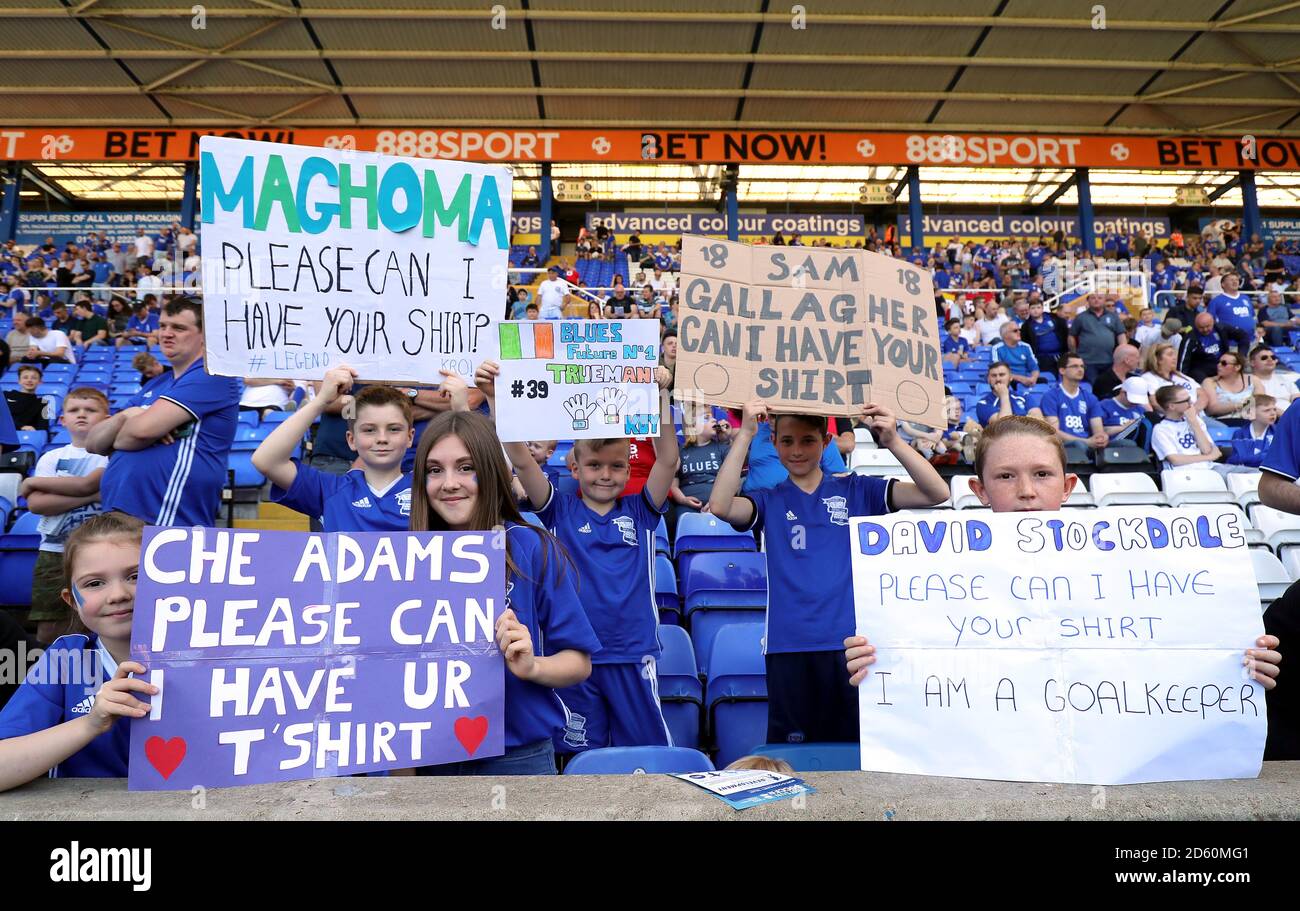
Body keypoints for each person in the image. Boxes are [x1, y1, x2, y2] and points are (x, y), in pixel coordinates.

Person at [843, 415, 1283, 706]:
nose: (1027, 491)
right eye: (1005, 476)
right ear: (979, 491)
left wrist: (1239, 660)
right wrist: (877, 660)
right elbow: (916, 656)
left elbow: (1171, 642)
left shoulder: (1134, 569)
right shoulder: (931, 575)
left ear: (1068, 485)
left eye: (1042, 474)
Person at [708, 400, 948, 745]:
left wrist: (893, 440)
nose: (796, 450)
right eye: (787, 441)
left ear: (825, 442)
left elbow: (936, 492)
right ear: (773, 443)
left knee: (852, 753)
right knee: (794, 758)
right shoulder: (768, 499)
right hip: (788, 647)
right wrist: (745, 433)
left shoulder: (858, 489)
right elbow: (720, 506)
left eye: (807, 440)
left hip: (851, 647)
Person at [479, 357, 678, 753]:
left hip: (632, 653)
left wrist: (661, 395)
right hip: (574, 658)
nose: (605, 474)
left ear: (629, 469)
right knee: (578, 762)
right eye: (594, 465)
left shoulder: (641, 511)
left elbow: (669, 459)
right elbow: (520, 458)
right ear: (573, 467)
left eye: (617, 466)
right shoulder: (558, 509)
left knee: (649, 759)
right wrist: (496, 399)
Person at [407, 410, 599, 775]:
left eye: (466, 467)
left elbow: (579, 662)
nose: (449, 483)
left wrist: (532, 666)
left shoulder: (529, 546)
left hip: (518, 758)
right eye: (435, 470)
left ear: (493, 472)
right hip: (429, 756)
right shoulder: (400, 560)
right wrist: (402, 771)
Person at [0, 514, 160, 791]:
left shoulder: (216, 657)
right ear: (71, 601)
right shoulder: (65, 660)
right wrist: (90, 724)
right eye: (94, 583)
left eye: (136, 576)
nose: (118, 594)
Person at [85, 297, 239, 527]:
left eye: (179, 328)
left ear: (205, 336)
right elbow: (94, 443)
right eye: (163, 326)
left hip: (166, 516)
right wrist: (126, 416)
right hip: (120, 512)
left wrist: (130, 424)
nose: (166, 334)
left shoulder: (211, 375)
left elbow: (139, 433)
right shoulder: (155, 384)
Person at [254, 366, 436, 532]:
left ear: (410, 437)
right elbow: (265, 461)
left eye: (394, 429)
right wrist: (321, 401)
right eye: (369, 430)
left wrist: (460, 406)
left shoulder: (429, 489)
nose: (382, 438)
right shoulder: (330, 490)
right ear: (352, 439)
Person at [19, 388, 111, 645]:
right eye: (74, 410)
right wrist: (93, 497)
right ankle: (53, 681)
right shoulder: (51, 457)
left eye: (90, 410)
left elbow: (88, 483)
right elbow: (37, 504)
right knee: (49, 628)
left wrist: (33, 482)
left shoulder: (110, 456)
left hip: (98, 553)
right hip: (53, 551)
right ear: (63, 420)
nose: (81, 415)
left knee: (95, 625)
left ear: (106, 419)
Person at [1037, 353, 1108, 454]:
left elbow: (1098, 429)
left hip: (1087, 444)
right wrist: (1086, 442)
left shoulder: (1090, 398)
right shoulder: (1051, 396)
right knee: (1079, 446)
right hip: (1063, 446)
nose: (1080, 369)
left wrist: (1101, 438)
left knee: (1126, 446)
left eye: (1082, 366)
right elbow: (1053, 432)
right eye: (1075, 366)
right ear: (1062, 370)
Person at [1069, 293, 1127, 385]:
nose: (1096, 300)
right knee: (1094, 386)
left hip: (1110, 360)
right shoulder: (1081, 317)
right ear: (1088, 301)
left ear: (1104, 301)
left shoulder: (1113, 316)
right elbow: (1071, 336)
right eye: (1093, 298)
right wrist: (1074, 353)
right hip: (1087, 361)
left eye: (1100, 298)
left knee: (1109, 387)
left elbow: (1121, 335)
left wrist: (1123, 352)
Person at [1201, 350, 1262, 429]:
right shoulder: (1210, 382)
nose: (1219, 365)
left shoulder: (1253, 380)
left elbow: (1261, 402)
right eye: (1218, 362)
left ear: (1237, 367)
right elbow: (1212, 409)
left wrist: (1232, 406)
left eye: (1224, 363)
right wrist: (1240, 405)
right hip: (1221, 422)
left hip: (1250, 421)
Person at [1138, 342, 1206, 412]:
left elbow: (1203, 395)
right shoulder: (1149, 378)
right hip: (1176, 419)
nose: (1175, 358)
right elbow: (1154, 402)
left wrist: (1194, 411)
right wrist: (1179, 415)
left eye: (1174, 354)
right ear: (1158, 360)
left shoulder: (1180, 376)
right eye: (1170, 355)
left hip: (1198, 415)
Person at [1208, 272, 1254, 354]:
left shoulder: (1246, 298)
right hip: (1232, 344)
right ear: (1223, 284)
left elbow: (1252, 316)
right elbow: (1210, 322)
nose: (1235, 282)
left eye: (1236, 280)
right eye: (1231, 280)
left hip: (1252, 342)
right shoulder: (1216, 301)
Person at [1227, 393, 1278, 468]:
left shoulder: (1278, 432)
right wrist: (1262, 456)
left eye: (1274, 409)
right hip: (1246, 473)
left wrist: (1249, 457)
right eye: (1266, 410)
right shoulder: (1239, 433)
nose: (1273, 413)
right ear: (1250, 413)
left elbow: (1276, 458)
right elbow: (1236, 459)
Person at [972, 362, 1029, 426]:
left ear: (1010, 377)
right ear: (988, 379)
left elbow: (1038, 420)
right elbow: (1004, 425)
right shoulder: (983, 404)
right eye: (994, 376)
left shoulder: (1024, 396)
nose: (998, 379)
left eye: (1002, 375)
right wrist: (1004, 396)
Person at [1021, 298, 1067, 376]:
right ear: (1029, 310)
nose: (1036, 310)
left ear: (1042, 308)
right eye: (1033, 308)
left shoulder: (1054, 318)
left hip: (1061, 355)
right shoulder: (1026, 326)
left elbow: (1064, 333)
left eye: (1038, 307)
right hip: (1043, 358)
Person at [1178, 312, 1229, 383]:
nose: (1205, 329)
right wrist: (1181, 380)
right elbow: (1183, 361)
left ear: (1213, 323)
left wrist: (1242, 352)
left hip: (1220, 364)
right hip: (1201, 368)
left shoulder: (1220, 329)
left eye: (1208, 326)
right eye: (1201, 327)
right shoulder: (1190, 338)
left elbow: (1242, 335)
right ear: (1196, 326)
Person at [1249, 345, 1299, 413]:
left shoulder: (1285, 379)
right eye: (1264, 358)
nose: (1270, 360)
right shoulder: (1247, 382)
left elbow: (1296, 398)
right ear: (1252, 362)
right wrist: (1286, 416)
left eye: (1273, 357)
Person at [990, 321, 1039, 388]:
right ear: (1005, 334)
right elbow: (998, 371)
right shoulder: (997, 348)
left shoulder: (1026, 346)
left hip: (1027, 380)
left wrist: (1033, 379)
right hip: (1008, 381)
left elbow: (1034, 367)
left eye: (1019, 330)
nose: (1019, 332)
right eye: (1015, 331)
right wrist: (1021, 379)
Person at [5, 365, 48, 432]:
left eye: (34, 378)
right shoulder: (6, 395)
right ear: (19, 381)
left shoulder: (43, 403)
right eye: (25, 377)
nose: (29, 380)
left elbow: (43, 428)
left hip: (25, 437)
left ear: (40, 382)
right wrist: (21, 426)